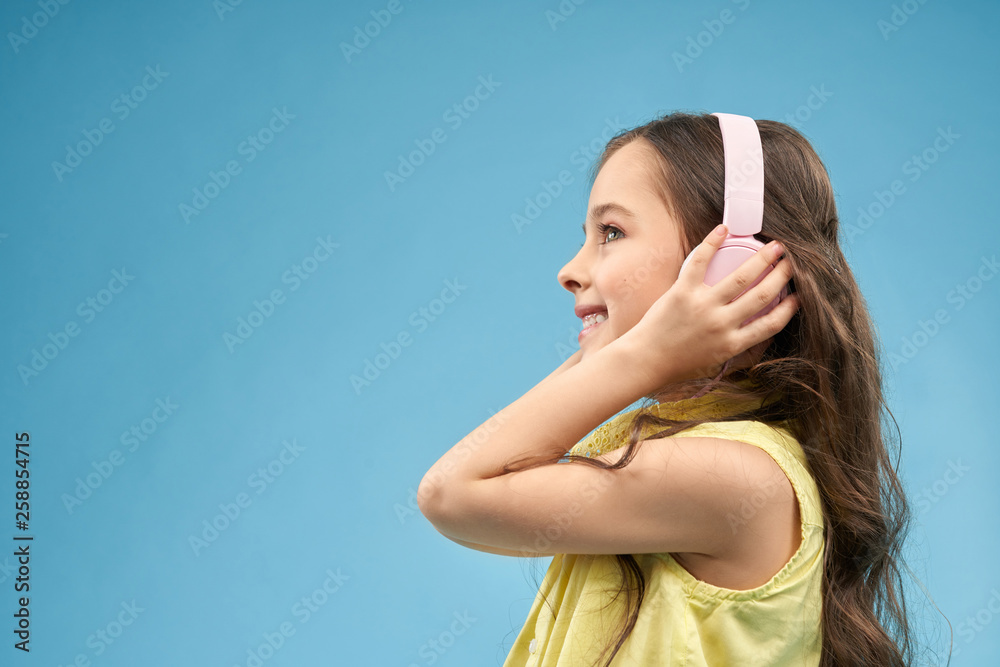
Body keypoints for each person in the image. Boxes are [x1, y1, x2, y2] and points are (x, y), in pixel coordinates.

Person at [417, 111, 913, 666]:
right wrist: (619, 351)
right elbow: (485, 522)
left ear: (730, 267)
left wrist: (639, 355)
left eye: (611, 232)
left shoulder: (736, 475)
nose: (570, 269)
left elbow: (452, 495)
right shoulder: (697, 455)